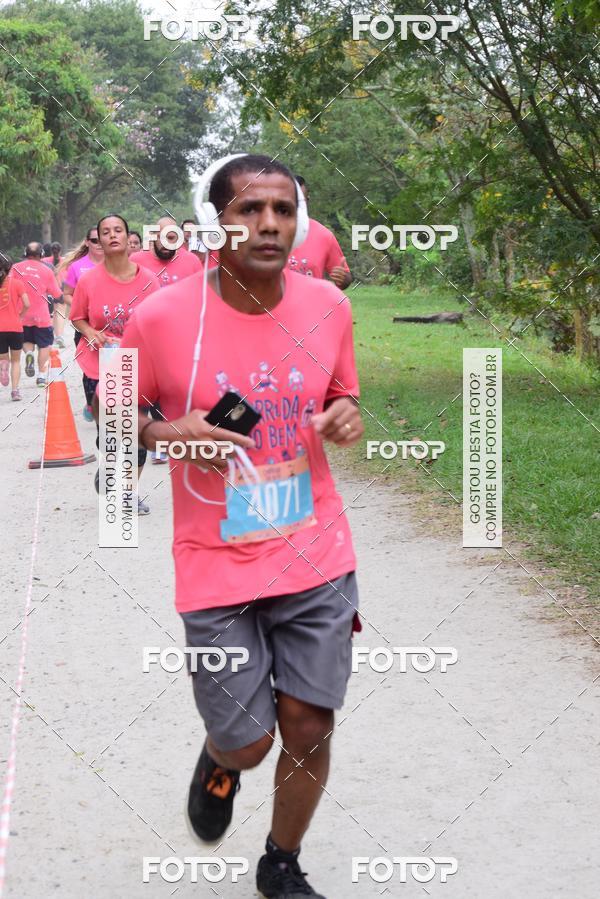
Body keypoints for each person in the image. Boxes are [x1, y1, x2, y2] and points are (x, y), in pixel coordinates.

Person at [121, 154, 364, 899]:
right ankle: (222, 755)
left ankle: (280, 863)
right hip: (214, 557)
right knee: (251, 739)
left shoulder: (329, 305)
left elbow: (344, 395)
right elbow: (116, 426)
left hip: (314, 545)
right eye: (249, 210)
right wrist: (168, 432)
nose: (268, 225)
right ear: (213, 221)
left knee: (308, 721)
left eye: (282, 210)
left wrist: (346, 416)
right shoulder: (159, 319)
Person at [70, 214, 160, 515]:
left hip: (138, 367)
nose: (112, 235)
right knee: (109, 433)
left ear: (127, 237)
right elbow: (77, 317)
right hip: (99, 365)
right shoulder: (88, 280)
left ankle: (129, 493)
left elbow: (161, 321)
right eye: (105, 232)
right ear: (98, 241)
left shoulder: (148, 280)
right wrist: (91, 332)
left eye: (117, 230)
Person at [286, 175, 353, 289]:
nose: (296, 205)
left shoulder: (323, 235)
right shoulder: (265, 233)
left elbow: (345, 279)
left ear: (307, 201)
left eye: (300, 200)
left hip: (312, 305)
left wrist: (342, 278)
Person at [13, 242, 62, 386]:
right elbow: (56, 293)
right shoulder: (47, 270)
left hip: (21, 314)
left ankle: (28, 354)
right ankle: (41, 376)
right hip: (42, 315)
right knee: (45, 345)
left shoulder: (15, 268)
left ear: (25, 253)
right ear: (41, 254)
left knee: (26, 340)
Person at [55, 227, 104, 352]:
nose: (99, 244)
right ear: (87, 242)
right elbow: (66, 295)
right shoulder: (76, 266)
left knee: (115, 369)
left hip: (112, 325)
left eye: (102, 240)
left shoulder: (116, 263)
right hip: (84, 325)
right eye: (94, 240)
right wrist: (84, 306)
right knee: (90, 370)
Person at [130, 215, 203, 287]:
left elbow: (202, 294)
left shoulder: (192, 261)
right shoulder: (136, 261)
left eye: (171, 238)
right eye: (160, 237)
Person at [0, 254, 30, 401]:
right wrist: (20, 315)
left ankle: (3, 368)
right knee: (16, 361)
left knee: (3, 359)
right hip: (15, 327)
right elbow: (27, 304)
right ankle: (15, 391)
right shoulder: (17, 284)